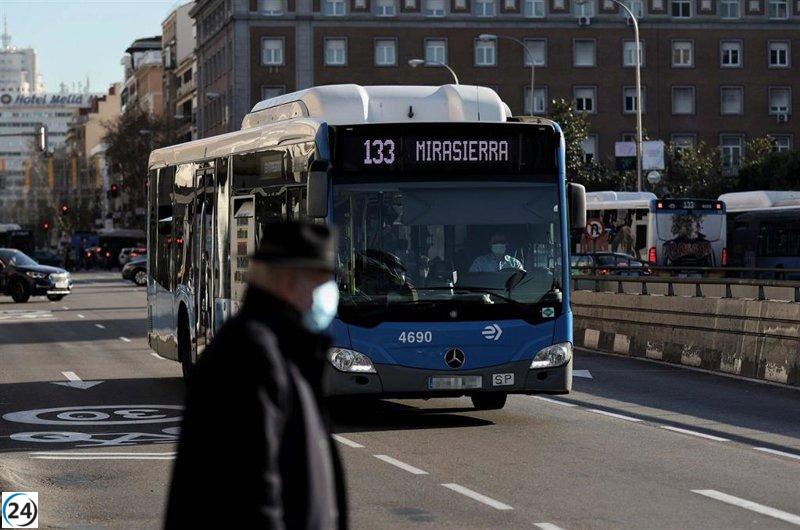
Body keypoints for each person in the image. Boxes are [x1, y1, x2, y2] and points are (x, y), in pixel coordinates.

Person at [165, 222, 348, 530]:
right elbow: (250, 496)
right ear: (292, 280)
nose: (331, 294)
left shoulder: (283, 347)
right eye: (323, 282)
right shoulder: (251, 354)